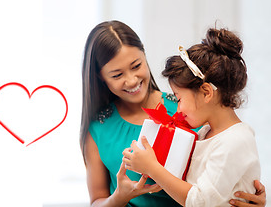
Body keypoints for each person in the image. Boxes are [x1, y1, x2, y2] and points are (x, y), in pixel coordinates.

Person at [80, 20, 266, 207]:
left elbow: (219, 180)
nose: (131, 80)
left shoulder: (191, 111)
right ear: (100, 77)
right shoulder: (99, 128)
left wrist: (248, 193)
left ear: (144, 54)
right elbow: (97, 200)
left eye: (136, 66)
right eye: (117, 75)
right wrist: (120, 196)